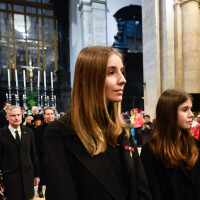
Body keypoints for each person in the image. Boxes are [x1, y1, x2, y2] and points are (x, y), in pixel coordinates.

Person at [43, 46, 152, 200]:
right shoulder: (59, 132)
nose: (123, 80)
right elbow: (63, 193)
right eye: (111, 72)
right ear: (87, 79)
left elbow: (141, 189)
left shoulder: (121, 130)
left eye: (122, 71)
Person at [140, 89, 200, 200]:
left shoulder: (195, 144)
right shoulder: (151, 150)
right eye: (185, 110)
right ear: (169, 113)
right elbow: (152, 192)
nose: (191, 115)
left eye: (190, 109)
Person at [0, 105, 40, 200]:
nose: (16, 118)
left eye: (18, 115)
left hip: (28, 176)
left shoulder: (29, 132)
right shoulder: (1, 134)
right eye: (13, 115)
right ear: (7, 117)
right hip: (10, 177)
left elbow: (33, 154)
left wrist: (37, 175)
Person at [34, 107, 55, 198]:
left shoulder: (60, 127)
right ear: (44, 116)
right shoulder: (39, 129)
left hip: (56, 157)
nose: (50, 116)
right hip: (43, 156)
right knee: (42, 175)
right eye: (48, 114)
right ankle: (40, 190)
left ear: (54, 115)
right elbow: (37, 145)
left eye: (51, 114)